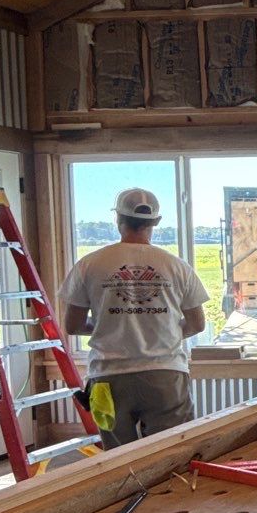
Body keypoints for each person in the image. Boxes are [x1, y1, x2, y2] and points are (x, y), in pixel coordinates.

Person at [59, 185, 207, 446]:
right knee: (171, 453)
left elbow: (73, 325)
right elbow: (197, 324)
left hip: (109, 376)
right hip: (165, 374)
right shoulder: (177, 266)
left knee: (119, 459)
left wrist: (112, 323)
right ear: (156, 222)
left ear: (118, 219)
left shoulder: (90, 264)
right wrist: (162, 327)